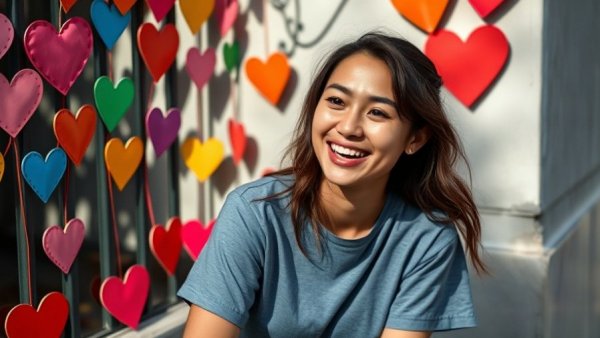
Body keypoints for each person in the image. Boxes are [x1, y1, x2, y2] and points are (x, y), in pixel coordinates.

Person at [177, 31, 485, 338]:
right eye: (336, 101)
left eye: (377, 112)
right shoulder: (255, 213)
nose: (348, 127)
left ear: (415, 138)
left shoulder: (427, 239)